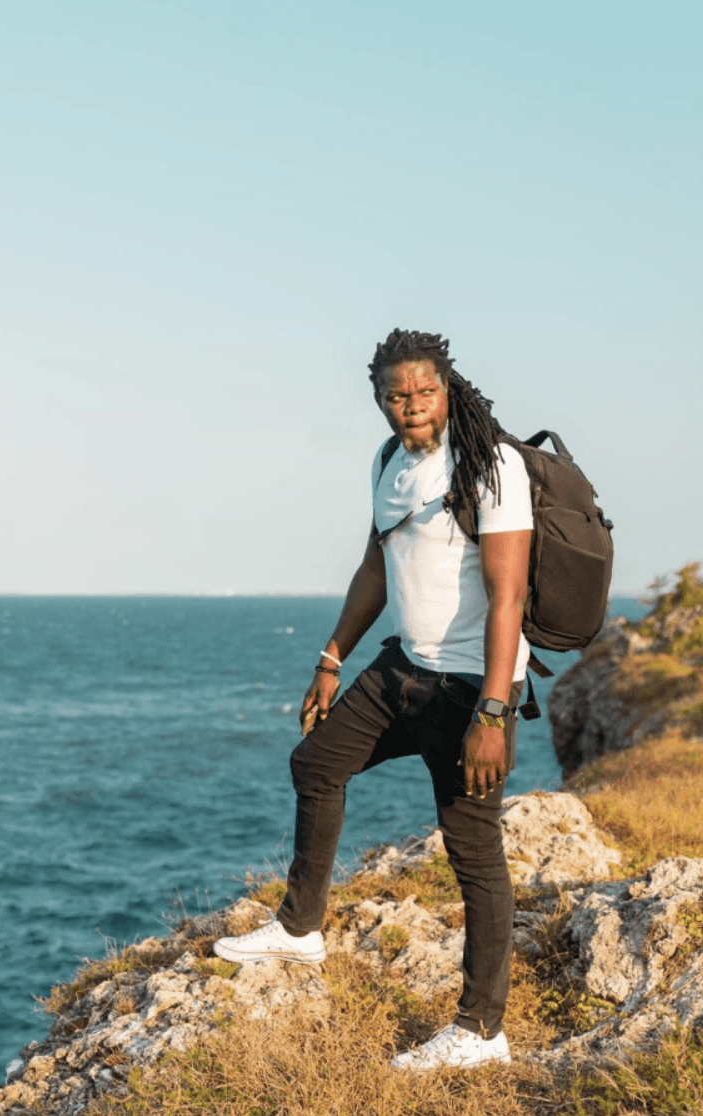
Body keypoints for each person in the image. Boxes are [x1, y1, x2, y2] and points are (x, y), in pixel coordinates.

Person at [214, 329, 533, 1071]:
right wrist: (331, 658)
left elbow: (509, 594)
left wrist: (492, 712)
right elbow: (374, 569)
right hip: (403, 670)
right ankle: (300, 930)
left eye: (425, 391)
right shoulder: (389, 462)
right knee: (315, 763)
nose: (412, 405)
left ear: (447, 389)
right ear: (379, 399)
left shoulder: (492, 465)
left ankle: (481, 1031)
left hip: (470, 689)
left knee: (473, 852)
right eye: (397, 394)